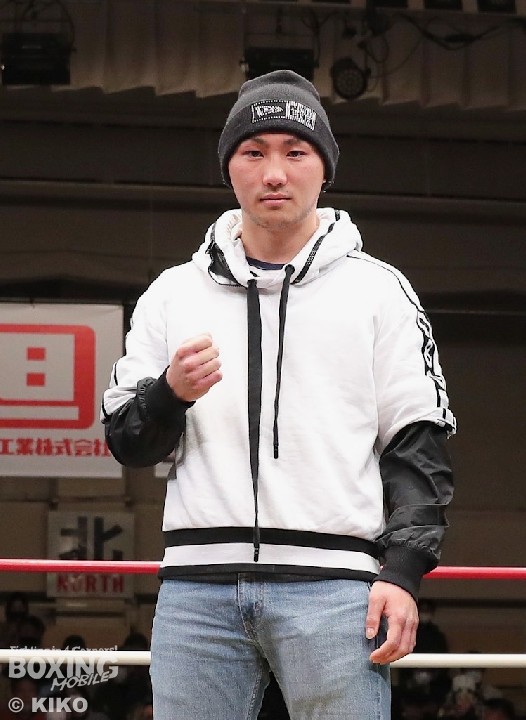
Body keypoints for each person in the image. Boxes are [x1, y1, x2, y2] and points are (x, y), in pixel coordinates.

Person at [101, 69, 456, 720]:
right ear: (228, 168)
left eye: (295, 152)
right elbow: (126, 440)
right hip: (197, 590)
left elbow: (418, 445)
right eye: (253, 151)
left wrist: (403, 572)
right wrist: (169, 395)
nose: (273, 173)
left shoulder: (380, 292)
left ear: (325, 169)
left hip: (337, 589)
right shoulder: (172, 294)